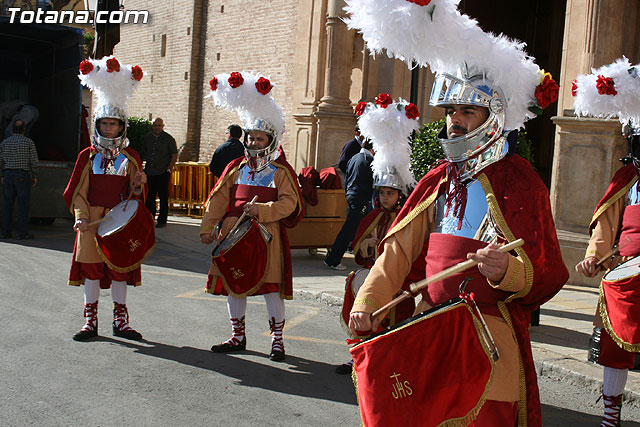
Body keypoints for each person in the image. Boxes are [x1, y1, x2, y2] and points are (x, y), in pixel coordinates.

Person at [345, 2, 568, 425]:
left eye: (467, 111)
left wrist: (507, 270)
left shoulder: (520, 181)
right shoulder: (438, 180)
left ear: (493, 117)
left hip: (489, 335)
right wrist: (370, 299)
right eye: (450, 112)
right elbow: (398, 251)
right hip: (429, 328)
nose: (454, 122)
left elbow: (549, 268)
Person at [200, 71, 304, 362]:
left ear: (270, 140)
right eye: (252, 137)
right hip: (233, 233)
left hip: (266, 236)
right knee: (235, 284)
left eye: (260, 138)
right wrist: (208, 227)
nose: (255, 142)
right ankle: (237, 336)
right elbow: (219, 198)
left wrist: (263, 210)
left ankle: (277, 341)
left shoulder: (281, 172)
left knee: (272, 290)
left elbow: (290, 203)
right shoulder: (236, 166)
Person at [573, 58, 640, 427]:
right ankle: (610, 413)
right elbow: (606, 225)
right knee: (614, 349)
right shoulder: (626, 179)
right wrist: (594, 258)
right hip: (625, 278)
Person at [64, 56, 150, 342]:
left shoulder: (131, 158)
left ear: (121, 126)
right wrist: (82, 218)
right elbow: (78, 193)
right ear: (98, 125)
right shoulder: (86, 157)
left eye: (114, 124)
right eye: (104, 124)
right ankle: (90, 321)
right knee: (90, 271)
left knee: (119, 270)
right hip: (90, 221)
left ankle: (121, 320)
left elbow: (135, 198)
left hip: (118, 223)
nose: (109, 129)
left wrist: (139, 186)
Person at [336, 95, 420, 375]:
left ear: (400, 195)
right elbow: (359, 253)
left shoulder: (406, 220)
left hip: (399, 279)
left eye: (390, 193)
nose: (385, 198)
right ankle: (358, 352)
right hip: (373, 274)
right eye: (382, 193)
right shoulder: (371, 218)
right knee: (354, 284)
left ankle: (390, 357)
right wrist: (368, 246)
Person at [323, 138, 374, 270]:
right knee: (349, 230)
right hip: (359, 198)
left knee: (354, 228)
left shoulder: (355, 157)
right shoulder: (368, 160)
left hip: (352, 195)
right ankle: (333, 259)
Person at [0, 119, 38, 239]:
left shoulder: (5, 142)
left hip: (8, 175)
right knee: (23, 205)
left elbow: (0, 160)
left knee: (7, 205)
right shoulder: (28, 142)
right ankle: (21, 233)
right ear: (24, 129)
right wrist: (34, 175)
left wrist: (2, 175)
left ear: (13, 129)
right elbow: (34, 161)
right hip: (22, 175)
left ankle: (5, 232)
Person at [143, 118, 178, 228]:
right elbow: (144, 151)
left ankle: (162, 220)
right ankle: (150, 218)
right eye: (154, 125)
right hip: (150, 171)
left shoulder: (168, 139)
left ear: (163, 126)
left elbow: (174, 154)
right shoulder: (147, 137)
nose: (156, 127)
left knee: (163, 197)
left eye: (159, 125)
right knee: (150, 197)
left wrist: (169, 168)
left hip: (163, 172)